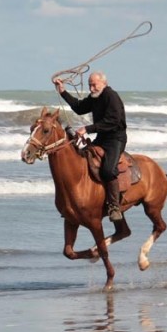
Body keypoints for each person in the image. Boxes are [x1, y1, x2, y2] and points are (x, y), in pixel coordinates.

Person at [53, 71, 127, 221]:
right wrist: (62, 90)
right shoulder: (95, 97)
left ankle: (114, 206)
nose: (91, 88)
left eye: (94, 85)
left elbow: (113, 121)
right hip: (102, 138)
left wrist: (87, 129)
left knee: (108, 170)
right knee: (81, 159)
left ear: (103, 83)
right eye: (89, 85)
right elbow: (79, 107)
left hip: (115, 139)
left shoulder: (111, 96)